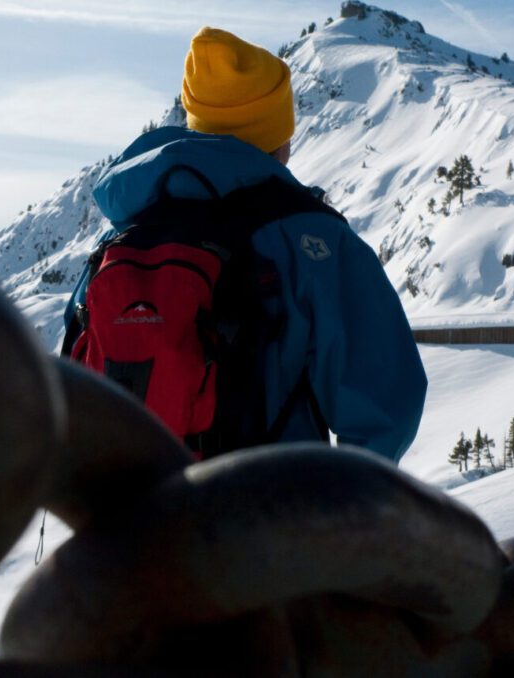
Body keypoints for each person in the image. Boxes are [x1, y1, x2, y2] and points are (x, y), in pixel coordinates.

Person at [62, 26, 426, 463]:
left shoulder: (121, 237)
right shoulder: (313, 240)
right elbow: (385, 402)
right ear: (279, 137)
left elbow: (72, 373)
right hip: (271, 517)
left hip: (138, 519)